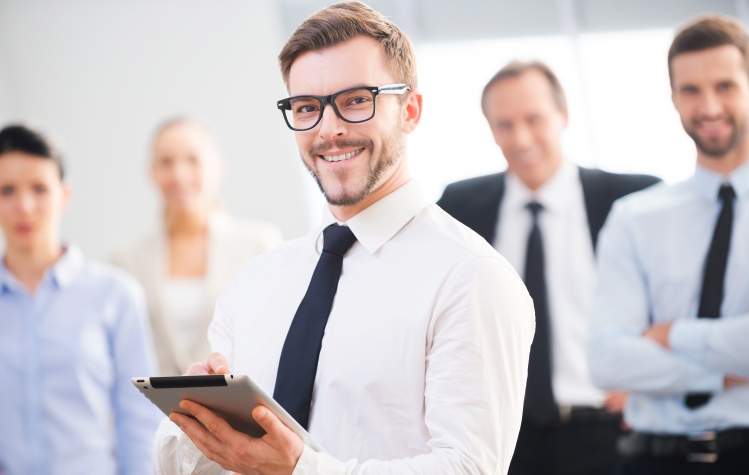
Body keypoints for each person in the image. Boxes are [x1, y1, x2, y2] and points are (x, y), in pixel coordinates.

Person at [152, 2, 536, 475]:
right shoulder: (257, 282)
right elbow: (182, 463)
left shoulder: (471, 277)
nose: (328, 129)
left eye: (356, 100)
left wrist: (299, 469)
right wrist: (192, 422)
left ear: (410, 110)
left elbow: (468, 468)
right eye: (307, 108)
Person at [437, 61, 660, 475]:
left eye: (534, 119)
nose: (521, 138)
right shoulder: (460, 206)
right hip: (501, 439)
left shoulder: (632, 199)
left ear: (564, 115)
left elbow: (680, 299)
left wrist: (652, 384)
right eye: (504, 124)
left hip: (606, 432)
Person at [589, 16, 749, 474]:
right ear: (674, 98)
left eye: (726, 85)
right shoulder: (635, 217)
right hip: (653, 460)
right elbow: (607, 360)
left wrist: (671, 335)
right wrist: (722, 372)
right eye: (691, 90)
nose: (709, 106)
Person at [0, 124, 161, 475]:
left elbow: (138, 424)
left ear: (64, 195)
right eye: (7, 190)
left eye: (39, 189)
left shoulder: (115, 295)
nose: (24, 206)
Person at [111, 118, 283, 376]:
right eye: (166, 162)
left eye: (193, 160)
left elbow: (274, 340)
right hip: (156, 412)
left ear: (219, 167)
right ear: (152, 171)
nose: (179, 175)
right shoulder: (125, 259)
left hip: (236, 407)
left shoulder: (258, 244)